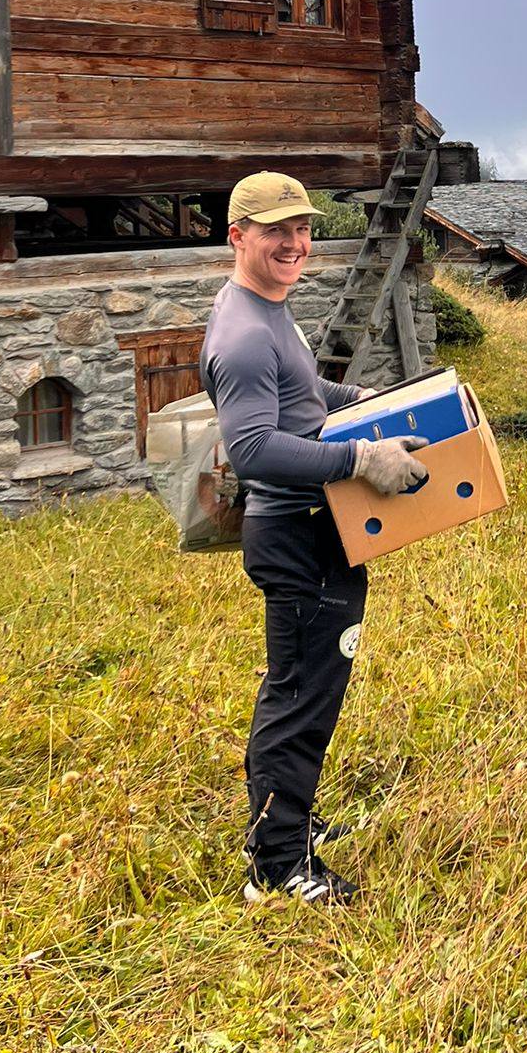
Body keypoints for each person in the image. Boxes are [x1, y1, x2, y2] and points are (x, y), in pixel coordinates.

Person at [200, 171, 429, 906]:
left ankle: (286, 816)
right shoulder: (240, 335)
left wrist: (358, 401)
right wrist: (361, 458)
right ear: (237, 237)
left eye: (301, 229)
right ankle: (277, 865)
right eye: (275, 232)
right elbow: (256, 447)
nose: (295, 243)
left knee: (300, 686)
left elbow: (299, 395)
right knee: (301, 694)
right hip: (295, 532)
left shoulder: (270, 309)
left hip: (317, 527)